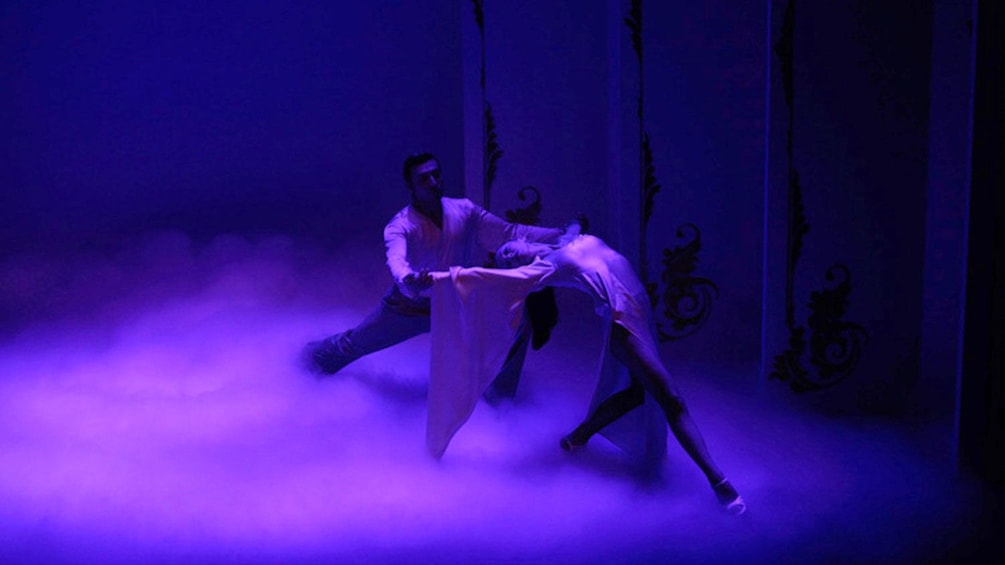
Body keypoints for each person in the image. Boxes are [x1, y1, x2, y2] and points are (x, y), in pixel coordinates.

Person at [424, 232, 746, 515]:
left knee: (637, 392)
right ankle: (720, 484)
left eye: (507, 248)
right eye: (506, 259)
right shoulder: (544, 269)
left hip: (639, 313)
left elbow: (566, 231)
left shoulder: (564, 239)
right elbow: (489, 278)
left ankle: (577, 437)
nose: (508, 254)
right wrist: (439, 278)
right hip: (624, 322)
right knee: (671, 399)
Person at [302, 152, 572, 383]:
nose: (433, 182)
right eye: (423, 178)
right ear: (411, 186)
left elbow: (509, 231)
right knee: (354, 344)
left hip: (457, 305)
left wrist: (561, 233)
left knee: (515, 329)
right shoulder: (401, 225)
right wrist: (409, 280)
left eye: (436, 175)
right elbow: (397, 262)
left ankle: (498, 403)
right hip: (409, 308)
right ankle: (309, 361)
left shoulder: (464, 210)